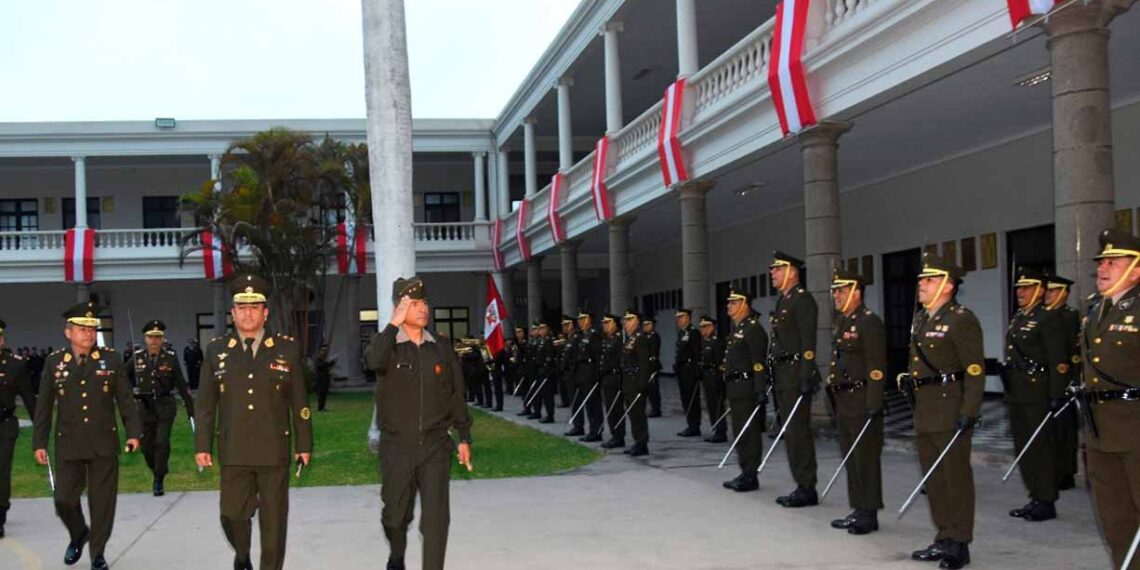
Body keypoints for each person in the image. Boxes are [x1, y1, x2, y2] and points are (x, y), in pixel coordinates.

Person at [194, 274, 313, 570]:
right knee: (231, 515)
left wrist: (304, 443)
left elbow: (300, 404)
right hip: (234, 448)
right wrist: (202, 445)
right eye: (242, 308)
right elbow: (206, 405)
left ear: (265, 313)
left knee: (273, 526)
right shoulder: (216, 350)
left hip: (274, 450)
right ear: (233, 313)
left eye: (254, 307)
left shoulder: (286, 349)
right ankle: (243, 553)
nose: (248, 313)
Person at [366, 276, 472, 570]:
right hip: (397, 446)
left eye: (424, 302)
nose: (423, 308)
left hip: (436, 445)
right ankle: (397, 554)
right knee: (396, 516)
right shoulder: (387, 345)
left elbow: (455, 393)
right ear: (400, 308)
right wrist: (392, 324)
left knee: (437, 519)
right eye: (414, 303)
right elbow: (373, 361)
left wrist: (463, 436)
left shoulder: (440, 346)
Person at [33, 302, 142, 570]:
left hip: (104, 441)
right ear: (68, 332)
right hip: (68, 442)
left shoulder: (111, 360)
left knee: (102, 502)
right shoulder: (54, 362)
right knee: (64, 500)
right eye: (82, 329)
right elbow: (44, 405)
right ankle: (79, 533)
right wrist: (39, 441)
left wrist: (133, 432)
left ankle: (98, 553)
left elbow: (125, 400)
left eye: (92, 329)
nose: (89, 334)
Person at [907, 253, 984, 570]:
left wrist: (970, 409)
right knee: (934, 478)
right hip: (925, 408)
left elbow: (975, 369)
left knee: (955, 478)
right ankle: (943, 535)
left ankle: (960, 542)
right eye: (922, 280)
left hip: (949, 406)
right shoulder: (924, 318)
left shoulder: (961, 319)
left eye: (929, 280)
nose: (922, 285)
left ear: (948, 285)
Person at [1077, 229, 1140, 569]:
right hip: (1099, 429)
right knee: (1115, 518)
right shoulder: (1092, 309)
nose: (1103, 268)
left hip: (1136, 429)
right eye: (1102, 262)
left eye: (1113, 263)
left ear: (1137, 270)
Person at [1002, 268, 1068, 522]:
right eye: (1019, 288)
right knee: (1023, 447)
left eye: (1027, 287)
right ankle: (1035, 495)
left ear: (1040, 290)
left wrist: (1057, 394)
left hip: (1038, 391)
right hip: (1017, 391)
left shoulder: (1048, 318)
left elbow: (1058, 360)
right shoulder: (1018, 317)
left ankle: (1047, 499)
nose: (1021, 292)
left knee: (1040, 447)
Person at [826, 268, 886, 535]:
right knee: (850, 455)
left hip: (861, 398)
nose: (836, 295)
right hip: (843, 398)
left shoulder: (869, 322)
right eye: (834, 291)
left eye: (840, 290)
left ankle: (869, 513)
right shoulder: (841, 321)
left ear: (856, 292)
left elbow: (876, 366)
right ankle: (858, 507)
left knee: (866, 458)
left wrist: (874, 402)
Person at [768, 251, 821, 508]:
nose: (772, 273)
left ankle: (807, 487)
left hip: (796, 373)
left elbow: (808, 342)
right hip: (783, 373)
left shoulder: (802, 300)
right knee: (790, 432)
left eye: (777, 269)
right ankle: (801, 482)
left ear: (792, 271)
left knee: (798, 431)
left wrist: (805, 374)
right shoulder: (783, 300)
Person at [127, 319, 195, 497]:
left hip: (164, 405)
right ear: (145, 338)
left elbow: (181, 384)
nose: (154, 341)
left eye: (158, 337)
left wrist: (190, 409)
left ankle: (159, 479)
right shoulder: (137, 358)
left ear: (162, 339)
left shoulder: (170, 358)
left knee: (161, 441)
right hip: (144, 405)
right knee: (147, 445)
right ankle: (157, 469)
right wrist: (130, 393)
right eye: (151, 337)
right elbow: (122, 377)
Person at [721, 287, 769, 492]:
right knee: (740, 431)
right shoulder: (737, 329)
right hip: (735, 387)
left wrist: (760, 389)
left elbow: (758, 363)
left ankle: (751, 474)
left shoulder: (753, 329)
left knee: (749, 432)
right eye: (728, 303)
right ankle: (744, 470)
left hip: (747, 387)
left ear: (744, 304)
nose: (729, 306)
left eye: (733, 302)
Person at [1043, 274, 1079, 491]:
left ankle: (1066, 473)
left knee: (1065, 431)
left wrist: (1071, 383)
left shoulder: (1070, 316)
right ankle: (1053, 470)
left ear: (1064, 293)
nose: (1048, 294)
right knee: (1049, 431)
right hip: (1045, 382)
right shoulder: (1043, 316)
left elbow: (1074, 354)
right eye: (1047, 290)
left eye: (1053, 291)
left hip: (1064, 382)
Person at [0, 320, 36, 538]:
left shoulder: (14, 364)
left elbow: (29, 398)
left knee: (2, 471)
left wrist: (41, 428)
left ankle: (0, 512)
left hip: (4, 425)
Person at [567, 311, 603, 441]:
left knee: (593, 405)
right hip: (582, 374)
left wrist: (597, 375)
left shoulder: (594, 335)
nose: (580, 321)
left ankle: (596, 431)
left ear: (590, 319)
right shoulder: (582, 335)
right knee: (588, 405)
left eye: (583, 318)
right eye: (579, 319)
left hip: (591, 374)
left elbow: (598, 356)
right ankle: (591, 430)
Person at [621, 310, 652, 456]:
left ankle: (642, 442)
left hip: (636, 381)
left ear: (637, 321)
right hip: (628, 382)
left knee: (638, 413)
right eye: (625, 320)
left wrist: (642, 383)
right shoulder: (630, 338)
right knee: (632, 413)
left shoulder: (640, 338)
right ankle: (637, 440)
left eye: (629, 319)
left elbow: (644, 363)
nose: (626, 323)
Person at [674, 308, 703, 438]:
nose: (679, 320)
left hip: (690, 370)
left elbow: (697, 353)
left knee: (692, 398)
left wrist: (697, 370)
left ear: (688, 318)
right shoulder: (681, 333)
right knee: (685, 397)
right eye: (678, 318)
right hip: (682, 370)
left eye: (682, 317)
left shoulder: (693, 332)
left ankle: (695, 425)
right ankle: (690, 423)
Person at [697, 315, 727, 443]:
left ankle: (721, 431)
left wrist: (720, 378)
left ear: (711, 327)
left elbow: (721, 362)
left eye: (705, 327)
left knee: (717, 404)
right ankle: (715, 427)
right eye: (701, 327)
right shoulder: (704, 342)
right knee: (710, 404)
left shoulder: (717, 342)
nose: (702, 330)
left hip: (715, 376)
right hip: (707, 375)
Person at [597, 313, 625, 447]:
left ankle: (619, 436)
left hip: (614, 377)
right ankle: (615, 434)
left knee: (616, 408)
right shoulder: (608, 339)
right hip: (606, 377)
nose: (604, 325)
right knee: (609, 407)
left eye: (607, 323)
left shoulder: (618, 339)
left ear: (614, 323)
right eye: (604, 323)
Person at [642, 318, 663, 417]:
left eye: (648, 324)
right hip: (646, 366)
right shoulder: (645, 336)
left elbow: (654, 353)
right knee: (648, 389)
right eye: (644, 325)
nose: (645, 327)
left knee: (653, 389)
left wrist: (652, 367)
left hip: (652, 366)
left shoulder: (654, 336)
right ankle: (653, 407)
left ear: (652, 325)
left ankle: (656, 409)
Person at [314, 344, 335, 412]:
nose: (324, 352)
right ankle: (320, 408)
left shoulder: (323, 358)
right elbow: (319, 366)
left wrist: (331, 362)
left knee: (324, 394)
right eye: (323, 350)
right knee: (321, 394)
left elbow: (326, 366)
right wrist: (326, 363)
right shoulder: (318, 358)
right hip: (320, 379)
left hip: (325, 378)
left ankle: (323, 407)